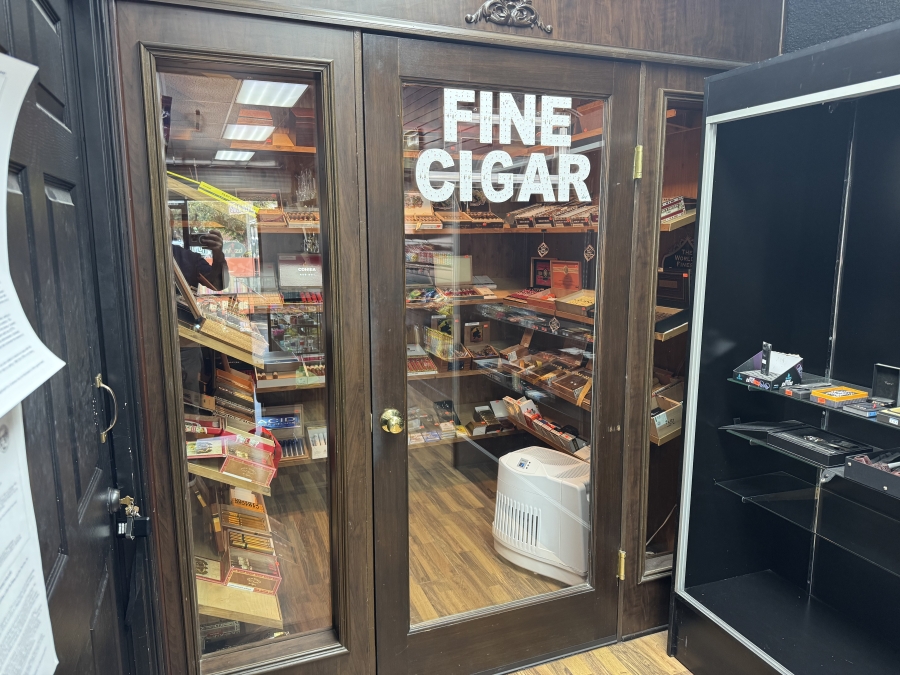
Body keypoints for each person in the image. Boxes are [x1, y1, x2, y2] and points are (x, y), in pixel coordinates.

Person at [175, 230, 229, 408]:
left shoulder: (186, 258)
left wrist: (218, 254)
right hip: (152, 345)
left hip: (186, 345)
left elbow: (218, 284)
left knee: (190, 400)